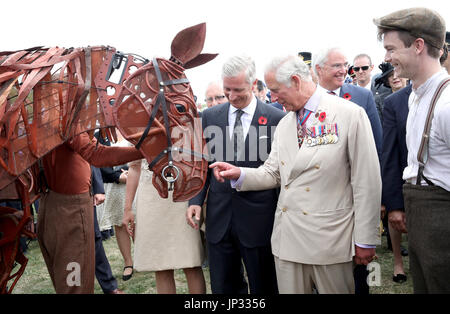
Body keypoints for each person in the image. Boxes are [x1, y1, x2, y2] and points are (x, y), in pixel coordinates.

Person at [209, 55, 381, 294]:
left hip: (330, 241)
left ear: (296, 81)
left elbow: (367, 181)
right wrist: (240, 174)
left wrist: (365, 239)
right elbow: (272, 172)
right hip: (287, 242)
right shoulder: (286, 123)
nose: (273, 98)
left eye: (276, 91)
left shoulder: (348, 115)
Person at [186, 55, 285, 294]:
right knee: (223, 287)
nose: (231, 96)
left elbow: (279, 172)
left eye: (238, 90)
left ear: (253, 84)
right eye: (226, 89)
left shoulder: (276, 119)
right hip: (219, 220)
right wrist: (196, 201)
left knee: (264, 285)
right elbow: (201, 164)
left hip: (259, 221)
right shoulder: (209, 117)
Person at [374, 7, 450, 293]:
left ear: (418, 46)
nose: (387, 57)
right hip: (421, 217)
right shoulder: (416, 98)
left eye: (391, 48)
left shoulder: (445, 105)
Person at [37, 131, 143, 293]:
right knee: (74, 281)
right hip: (70, 206)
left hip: (55, 201)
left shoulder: (53, 117)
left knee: (68, 276)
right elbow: (97, 154)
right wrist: (145, 149)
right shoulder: (66, 118)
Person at [122, 158, 206, 294]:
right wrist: (128, 208)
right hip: (151, 197)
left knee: (191, 261)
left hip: (184, 190)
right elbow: (134, 167)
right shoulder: (134, 135)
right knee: (160, 264)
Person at [312, 47, 383, 160]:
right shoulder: (308, 99)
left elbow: (377, 143)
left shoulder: (363, 97)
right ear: (319, 69)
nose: (344, 70)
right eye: (337, 66)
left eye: (345, 65)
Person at [378, 65, 410, 284]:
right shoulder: (388, 103)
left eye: (397, 73)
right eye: (390, 77)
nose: (395, 78)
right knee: (395, 212)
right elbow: (386, 146)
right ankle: (398, 261)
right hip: (397, 164)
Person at [95, 129, 135, 281]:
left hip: (136, 182)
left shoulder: (132, 128)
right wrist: (117, 176)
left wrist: (131, 174)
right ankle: (128, 262)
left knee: (138, 221)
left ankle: (141, 257)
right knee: (120, 224)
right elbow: (98, 162)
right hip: (115, 185)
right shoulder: (99, 136)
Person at [91, 166, 123, 294]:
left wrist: (98, 188)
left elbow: (91, 160)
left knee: (94, 238)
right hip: (55, 195)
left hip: (83, 193)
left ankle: (110, 288)